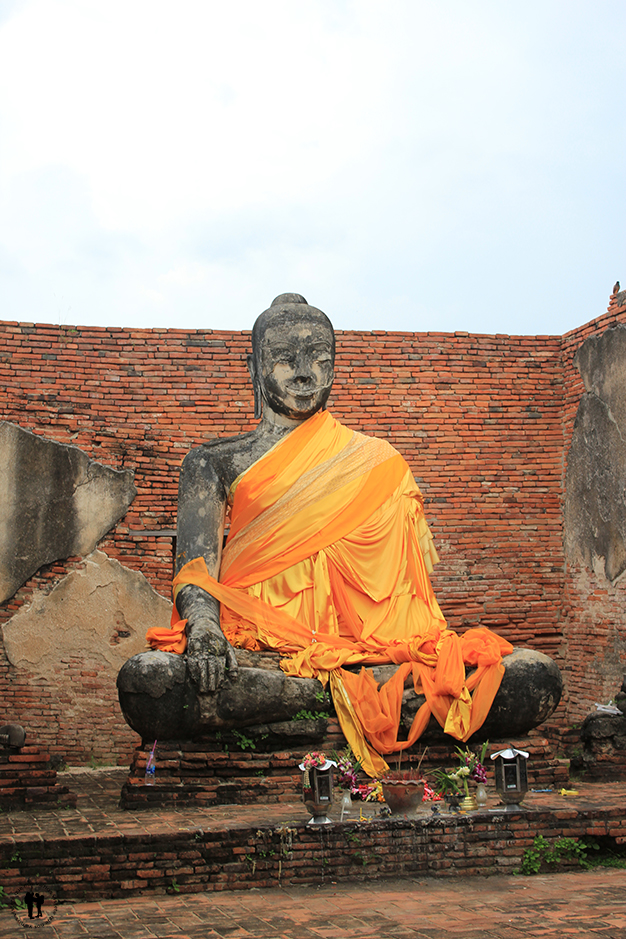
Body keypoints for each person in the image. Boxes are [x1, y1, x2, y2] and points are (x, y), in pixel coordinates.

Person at [141, 294, 516, 775]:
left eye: (319, 360)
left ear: (334, 369)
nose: (303, 375)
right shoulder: (214, 462)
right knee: (151, 680)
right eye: (284, 360)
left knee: (526, 676)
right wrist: (205, 627)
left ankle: (325, 702)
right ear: (254, 367)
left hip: (368, 653)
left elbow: (408, 600)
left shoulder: (377, 461)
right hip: (258, 648)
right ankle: (336, 704)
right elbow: (195, 572)